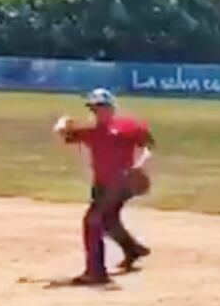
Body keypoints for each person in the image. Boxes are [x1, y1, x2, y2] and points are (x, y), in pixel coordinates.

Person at [55, 88, 152, 285]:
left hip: (122, 183)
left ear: (111, 107)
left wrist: (140, 164)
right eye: (94, 108)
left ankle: (96, 272)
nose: (97, 112)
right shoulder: (92, 131)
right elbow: (65, 134)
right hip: (101, 184)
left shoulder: (128, 127)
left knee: (92, 222)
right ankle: (132, 249)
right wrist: (62, 123)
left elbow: (148, 145)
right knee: (107, 221)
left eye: (101, 107)